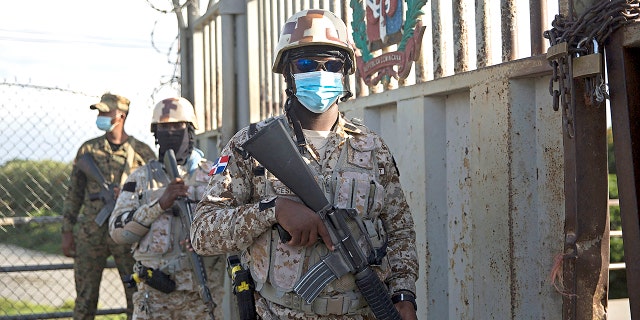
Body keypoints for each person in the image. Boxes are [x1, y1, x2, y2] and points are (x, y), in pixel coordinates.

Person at [191, 9, 419, 320]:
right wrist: (273, 211)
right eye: (307, 64)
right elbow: (202, 232)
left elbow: (399, 228)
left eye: (333, 64)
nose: (321, 73)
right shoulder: (251, 145)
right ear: (287, 73)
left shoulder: (371, 146)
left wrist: (404, 294)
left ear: (344, 73)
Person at [108, 97, 225, 319]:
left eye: (177, 126)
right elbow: (117, 232)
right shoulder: (140, 179)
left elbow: (234, 227)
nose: (170, 132)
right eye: (164, 127)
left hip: (202, 297)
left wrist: (205, 239)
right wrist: (160, 204)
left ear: (190, 130)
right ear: (155, 133)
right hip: (154, 297)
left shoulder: (214, 176)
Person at [62, 93, 156, 320]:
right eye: (99, 112)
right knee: (85, 298)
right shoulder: (88, 151)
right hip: (91, 232)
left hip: (128, 232)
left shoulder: (142, 153)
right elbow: (74, 193)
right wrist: (67, 230)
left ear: (121, 115)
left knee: (136, 295)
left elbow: (155, 194)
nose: (101, 116)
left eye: (106, 112)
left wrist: (128, 194)